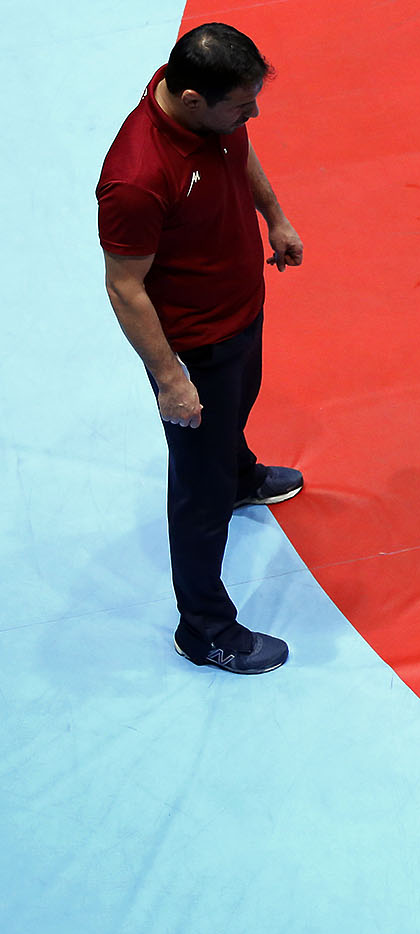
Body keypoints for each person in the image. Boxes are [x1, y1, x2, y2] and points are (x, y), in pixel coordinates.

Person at [98, 23, 304, 675]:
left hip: (241, 312)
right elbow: (124, 286)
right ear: (191, 99)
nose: (253, 115)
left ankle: (240, 478)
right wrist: (170, 379)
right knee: (198, 492)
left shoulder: (215, 117)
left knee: (237, 415)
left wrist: (275, 216)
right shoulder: (136, 177)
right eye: (242, 105)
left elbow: (240, 152)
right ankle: (204, 628)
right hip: (196, 347)